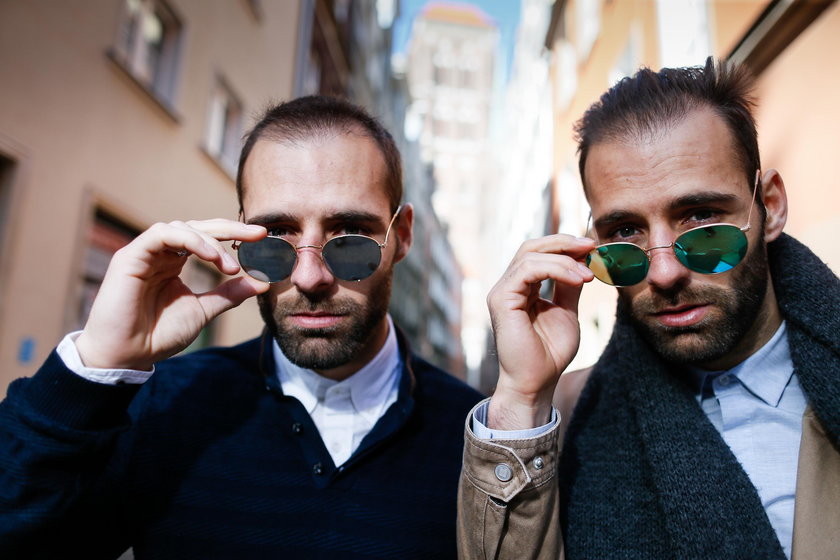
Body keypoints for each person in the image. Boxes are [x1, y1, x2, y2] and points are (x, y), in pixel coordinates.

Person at [0, 95, 483, 558]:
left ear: (400, 235)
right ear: (239, 235)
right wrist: (96, 365)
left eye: (349, 236)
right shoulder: (164, 408)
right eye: (275, 238)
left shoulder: (475, 444)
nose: (309, 277)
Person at [457, 58, 839, 560]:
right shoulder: (565, 421)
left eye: (701, 218)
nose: (662, 273)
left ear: (769, 206)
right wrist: (521, 395)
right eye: (625, 233)